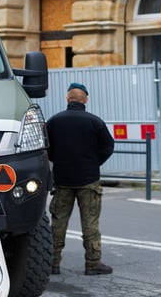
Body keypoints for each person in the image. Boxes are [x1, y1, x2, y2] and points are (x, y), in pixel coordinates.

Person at [46, 82, 115, 276]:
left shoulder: (54, 121)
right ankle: (93, 264)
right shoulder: (95, 122)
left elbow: (46, 148)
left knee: (58, 223)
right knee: (90, 223)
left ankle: (53, 262)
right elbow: (108, 147)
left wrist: (59, 160)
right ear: (85, 100)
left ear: (67, 99)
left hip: (62, 180)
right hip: (88, 180)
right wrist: (94, 163)